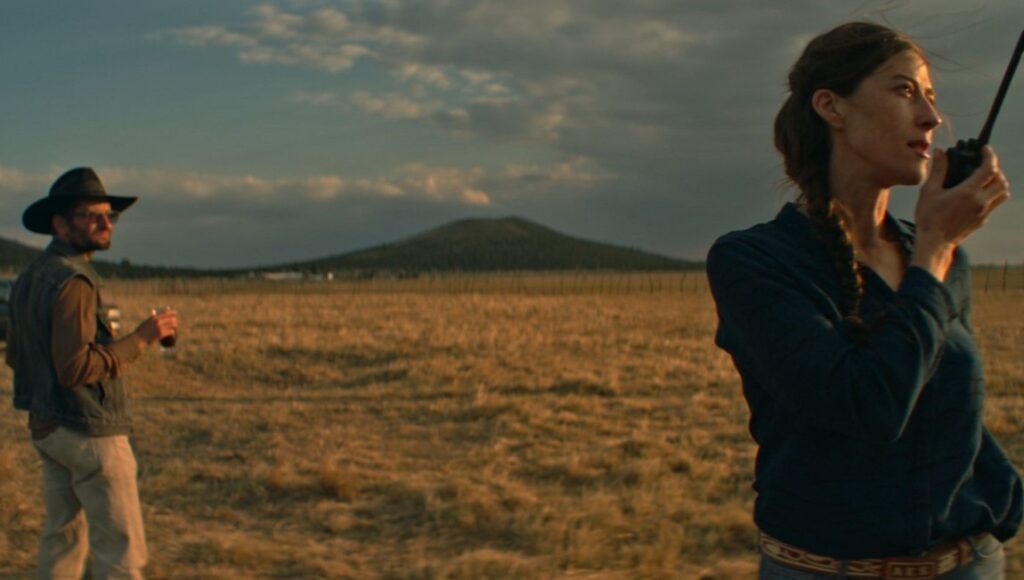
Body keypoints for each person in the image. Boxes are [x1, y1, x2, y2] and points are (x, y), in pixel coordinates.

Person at [706, 22, 1021, 579]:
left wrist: (1000, 498)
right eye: (905, 91)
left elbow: (950, 407)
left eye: (931, 97)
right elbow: (869, 406)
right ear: (832, 106)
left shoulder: (943, 259)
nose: (931, 117)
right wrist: (935, 247)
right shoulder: (754, 261)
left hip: (969, 565)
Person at [6, 167, 178, 579]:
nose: (106, 223)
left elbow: (16, 355)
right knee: (121, 553)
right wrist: (142, 337)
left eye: (109, 215)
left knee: (62, 539)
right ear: (60, 225)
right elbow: (75, 368)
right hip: (87, 432)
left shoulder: (30, 276)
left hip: (47, 427)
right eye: (91, 215)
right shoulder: (74, 281)